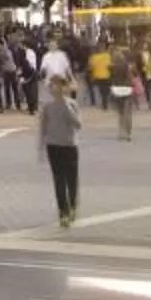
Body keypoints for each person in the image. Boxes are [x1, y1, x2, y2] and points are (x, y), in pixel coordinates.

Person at [39, 72, 84, 226]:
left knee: (71, 179)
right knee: (58, 180)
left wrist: (65, 106)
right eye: (52, 85)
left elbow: (78, 124)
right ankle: (62, 212)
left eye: (58, 85)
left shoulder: (71, 104)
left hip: (70, 145)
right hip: (53, 145)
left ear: (64, 87)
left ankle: (72, 206)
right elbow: (43, 127)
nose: (55, 88)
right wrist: (41, 147)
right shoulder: (47, 106)